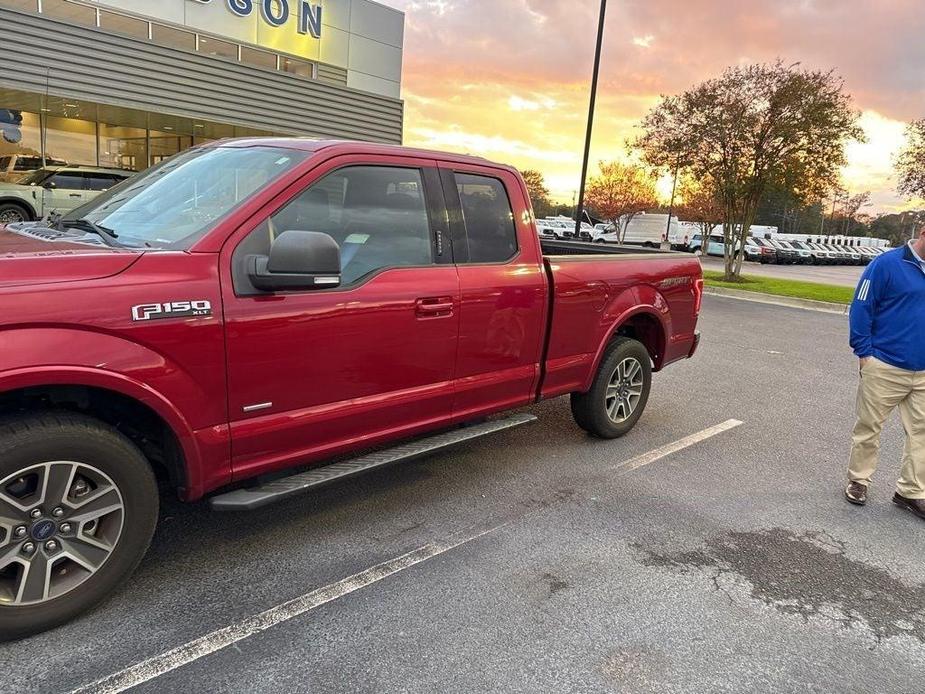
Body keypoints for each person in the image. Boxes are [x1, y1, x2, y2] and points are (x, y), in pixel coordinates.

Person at [845, 226, 925, 516]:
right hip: (885, 364)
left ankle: (911, 492)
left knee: (922, 433)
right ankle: (859, 480)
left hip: (923, 371)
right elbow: (861, 307)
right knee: (869, 426)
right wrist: (864, 353)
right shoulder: (886, 264)